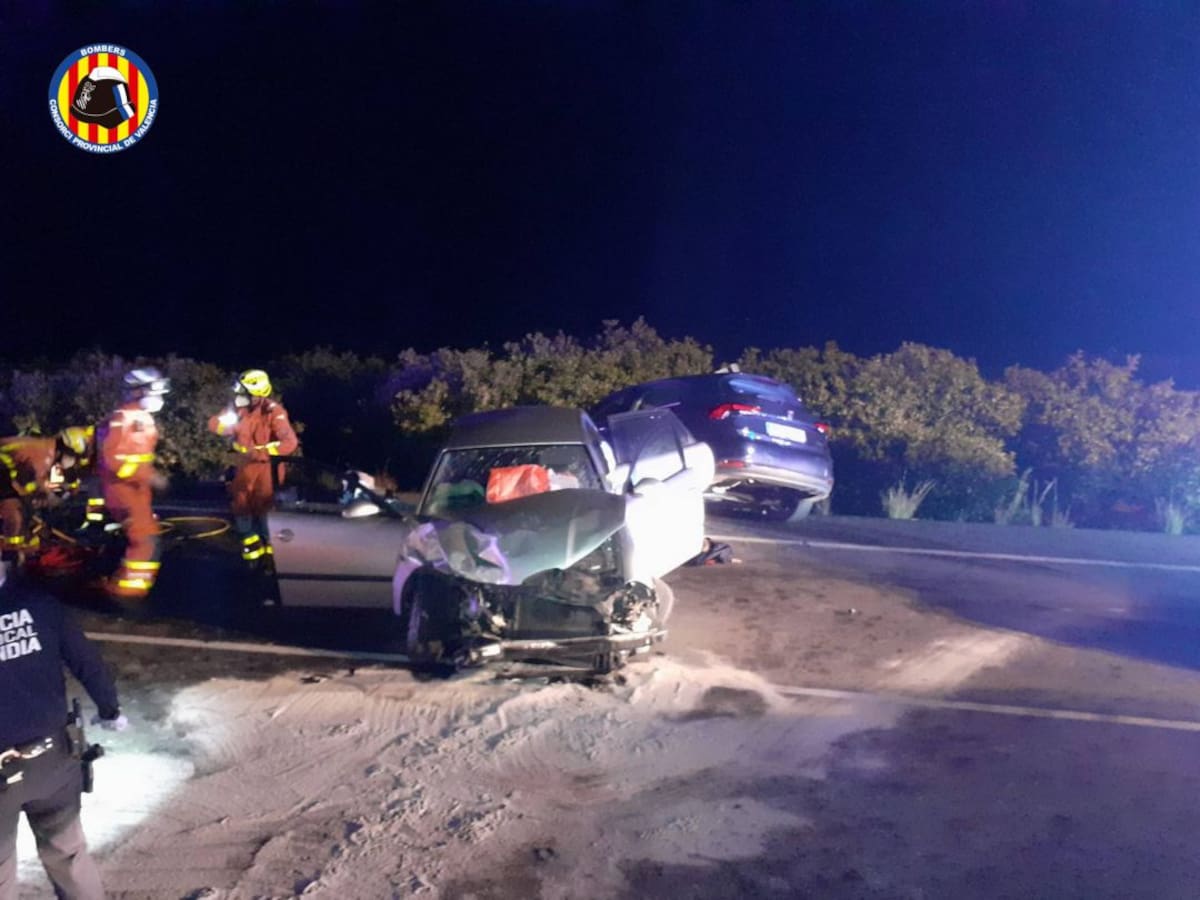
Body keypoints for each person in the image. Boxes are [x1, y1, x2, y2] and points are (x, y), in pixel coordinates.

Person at [0, 559, 126, 900]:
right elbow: (86, 661)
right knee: (69, 856)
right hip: (54, 760)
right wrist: (110, 710)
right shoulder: (41, 605)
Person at [207, 369, 299, 570]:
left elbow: (289, 443)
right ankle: (251, 556)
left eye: (243, 392)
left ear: (256, 393)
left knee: (264, 512)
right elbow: (215, 425)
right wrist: (223, 422)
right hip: (244, 467)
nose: (239, 395)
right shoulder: (240, 410)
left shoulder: (274, 412)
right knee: (241, 509)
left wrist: (259, 453)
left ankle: (271, 561)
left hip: (266, 470)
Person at [97, 369, 169, 600]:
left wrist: (148, 475)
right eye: (153, 390)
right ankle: (127, 593)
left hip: (137, 490)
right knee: (144, 538)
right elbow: (113, 461)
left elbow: (139, 456)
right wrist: (147, 475)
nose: (158, 396)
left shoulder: (142, 417)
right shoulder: (123, 418)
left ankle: (127, 585)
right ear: (137, 391)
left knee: (145, 536)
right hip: (123, 490)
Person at [0, 428, 95, 569]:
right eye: (75, 457)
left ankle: (17, 552)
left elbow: (33, 483)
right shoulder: (42, 457)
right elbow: (28, 485)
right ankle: (9, 557)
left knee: (22, 509)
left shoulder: (46, 450)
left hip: (4, 473)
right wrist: (48, 498)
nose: (74, 461)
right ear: (66, 450)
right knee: (15, 512)